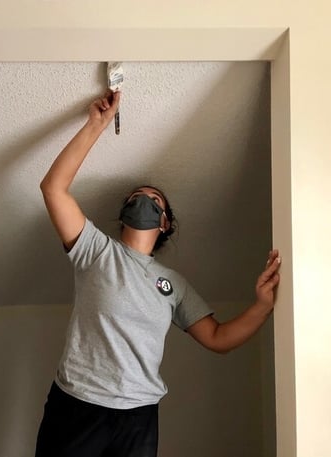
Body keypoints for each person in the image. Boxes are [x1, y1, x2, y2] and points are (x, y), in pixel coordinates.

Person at [35, 90, 281, 457]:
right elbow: (53, 189)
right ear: (122, 214)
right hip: (78, 403)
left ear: (165, 224)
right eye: (136, 196)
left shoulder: (174, 286)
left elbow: (217, 337)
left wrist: (261, 306)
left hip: (138, 416)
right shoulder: (96, 251)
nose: (144, 201)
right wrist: (96, 124)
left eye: (155, 200)